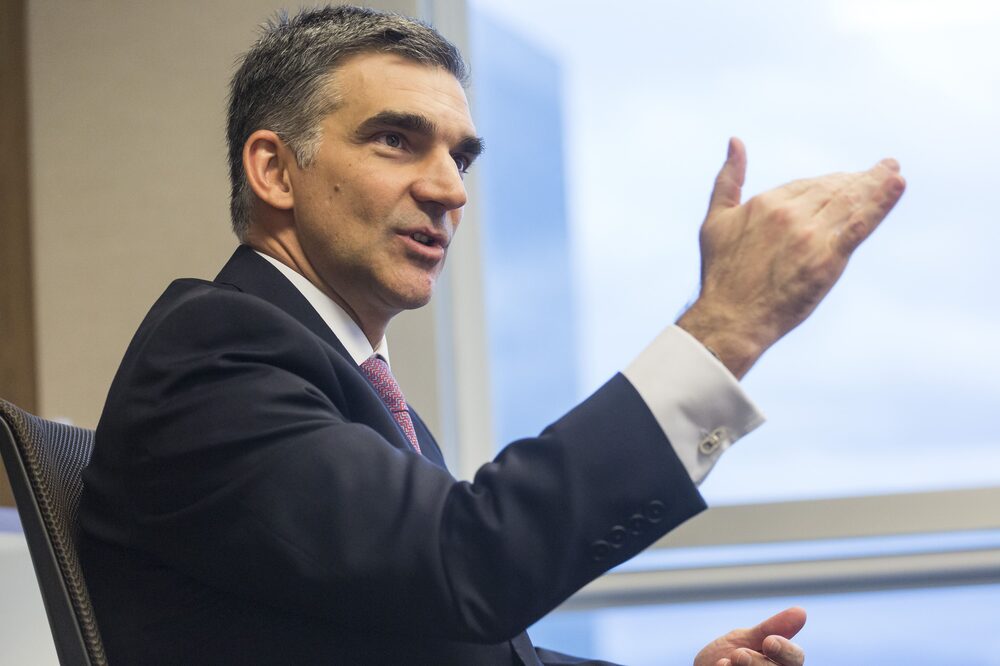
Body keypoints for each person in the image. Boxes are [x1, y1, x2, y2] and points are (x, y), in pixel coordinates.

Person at [78, 5, 904, 665]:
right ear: (273, 170)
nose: (448, 190)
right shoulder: (213, 358)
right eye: (396, 140)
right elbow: (468, 567)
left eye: (461, 157)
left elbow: (461, 639)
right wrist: (725, 328)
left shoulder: (343, 381)